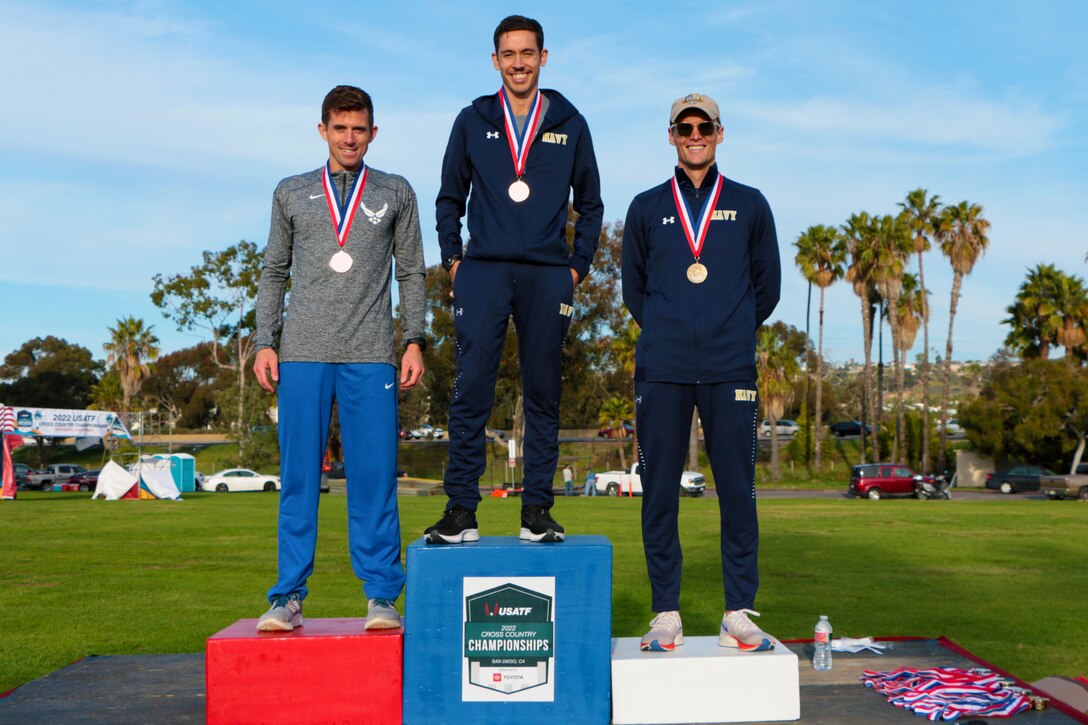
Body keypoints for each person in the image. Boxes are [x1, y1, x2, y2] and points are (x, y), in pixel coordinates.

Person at [252, 85, 426, 632]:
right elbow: (273, 272)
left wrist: (414, 337)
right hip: (301, 354)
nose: (350, 138)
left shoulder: (396, 191)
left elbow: (412, 272)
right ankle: (287, 597)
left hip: (371, 354)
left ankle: (381, 596)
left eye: (360, 128)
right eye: (340, 127)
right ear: (322, 129)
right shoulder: (292, 192)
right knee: (299, 477)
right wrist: (264, 339)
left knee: (374, 478)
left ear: (373, 133)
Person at [425, 15, 603, 544]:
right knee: (471, 390)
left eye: (528, 53)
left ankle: (537, 512)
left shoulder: (570, 122)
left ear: (543, 58)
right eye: (509, 54)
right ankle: (461, 510)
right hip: (484, 270)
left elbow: (590, 204)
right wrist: (454, 260)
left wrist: (576, 267)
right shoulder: (473, 118)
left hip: (550, 275)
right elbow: (448, 198)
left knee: (543, 392)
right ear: (495, 60)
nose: (519, 63)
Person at [621, 93, 781, 653]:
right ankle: (666, 611)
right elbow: (633, 290)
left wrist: (729, 330)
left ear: (719, 133)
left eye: (704, 126)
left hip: (728, 366)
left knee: (738, 491)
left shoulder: (750, 204)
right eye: (684, 127)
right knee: (658, 492)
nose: (695, 134)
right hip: (661, 370)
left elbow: (769, 287)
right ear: (671, 135)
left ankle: (738, 610)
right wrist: (669, 330)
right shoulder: (645, 207)